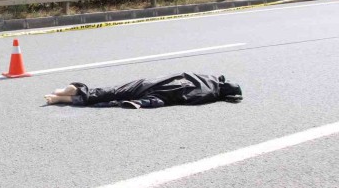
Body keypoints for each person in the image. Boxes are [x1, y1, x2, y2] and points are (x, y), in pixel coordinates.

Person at [44, 72, 242, 108]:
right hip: (162, 92)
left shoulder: (209, 77)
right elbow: (180, 97)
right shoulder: (208, 94)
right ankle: (68, 96)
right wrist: (149, 102)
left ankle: (71, 91)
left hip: (155, 81)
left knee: (116, 90)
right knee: (113, 100)